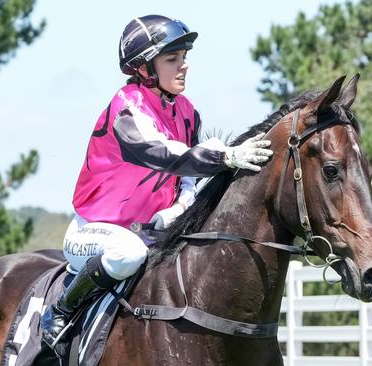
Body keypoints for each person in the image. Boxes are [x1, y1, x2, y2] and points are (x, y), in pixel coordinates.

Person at [41, 14, 273, 352]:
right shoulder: (126, 110)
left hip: (150, 230)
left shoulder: (188, 112)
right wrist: (224, 158)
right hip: (95, 232)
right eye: (172, 59)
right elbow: (167, 154)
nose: (184, 66)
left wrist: (180, 207)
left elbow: (189, 178)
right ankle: (61, 311)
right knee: (127, 253)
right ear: (144, 68)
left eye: (184, 58)